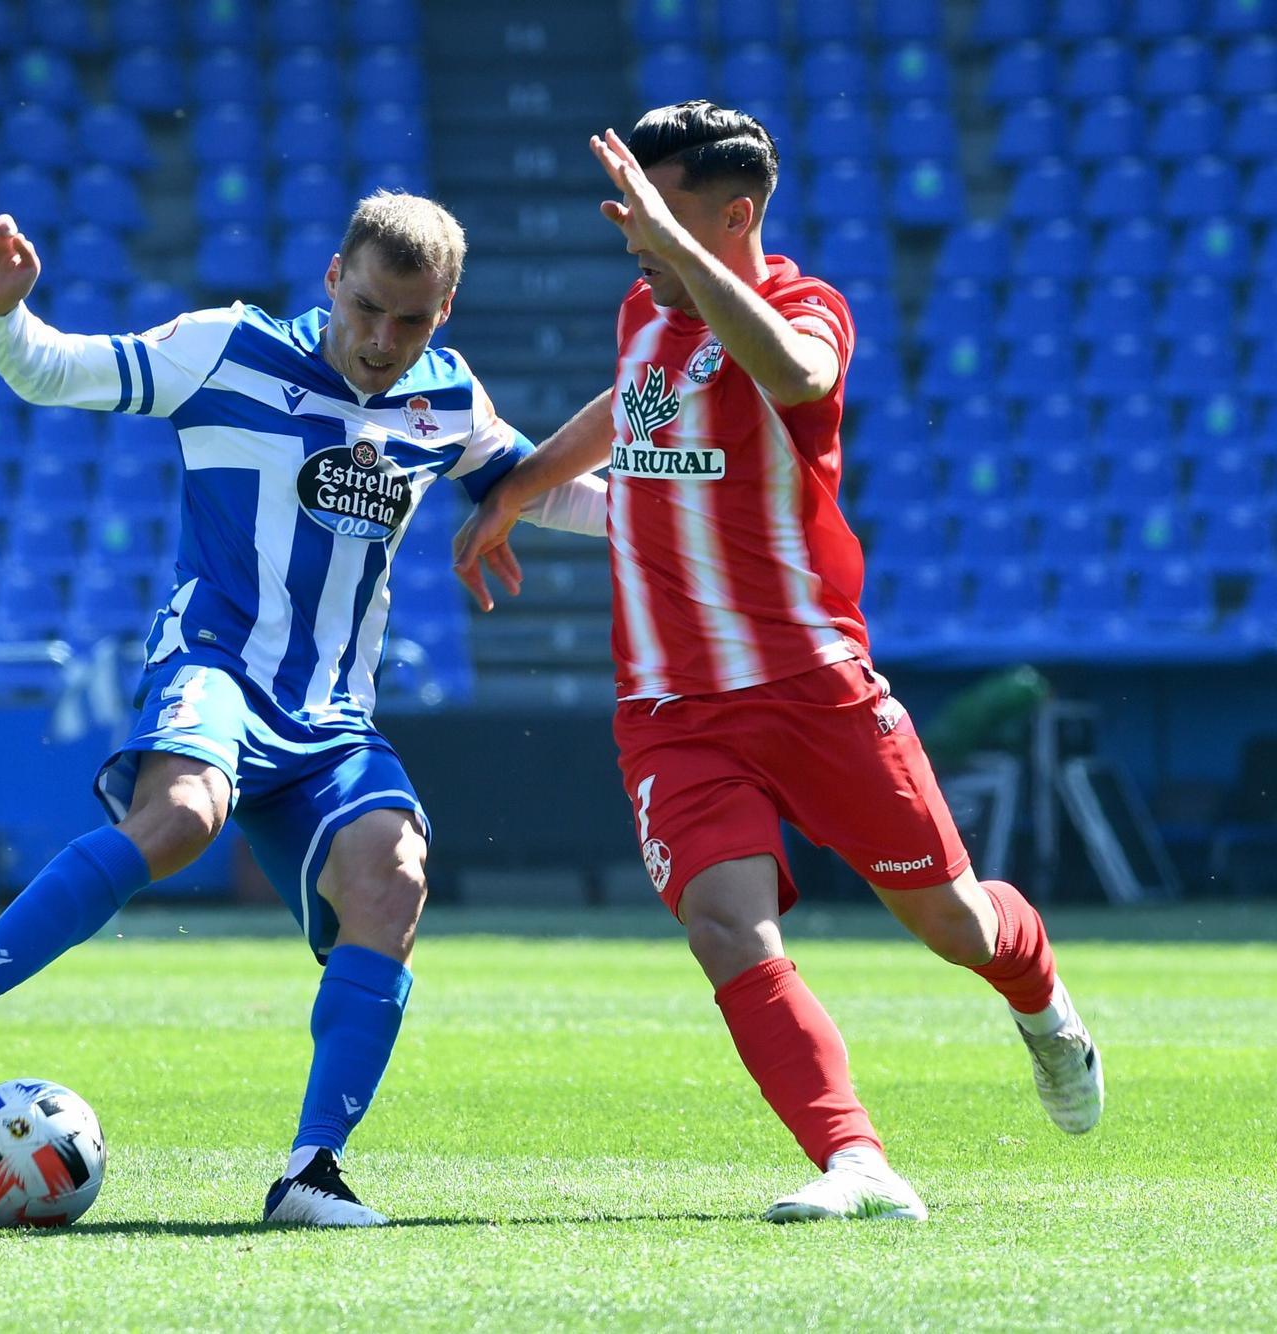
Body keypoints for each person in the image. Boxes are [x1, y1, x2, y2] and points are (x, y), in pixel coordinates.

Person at [0, 196, 605, 1226]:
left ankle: (310, 1171)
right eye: (364, 309)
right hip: (214, 666)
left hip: (333, 717)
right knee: (179, 819)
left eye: (410, 321)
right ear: (329, 277)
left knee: (392, 880)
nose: (382, 341)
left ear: (443, 311)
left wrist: (691, 507)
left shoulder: (445, 397)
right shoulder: (224, 349)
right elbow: (52, 369)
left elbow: (545, 487)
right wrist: (2, 315)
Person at [452, 102, 1103, 1223]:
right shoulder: (643, 308)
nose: (632, 240)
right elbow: (630, 405)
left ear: (733, 214)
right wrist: (514, 486)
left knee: (951, 920)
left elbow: (796, 378)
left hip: (810, 685)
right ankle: (855, 1159)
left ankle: (1041, 1002)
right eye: (628, 218)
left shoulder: (808, 312)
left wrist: (686, 255)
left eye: (653, 218)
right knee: (724, 924)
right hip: (670, 708)